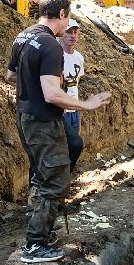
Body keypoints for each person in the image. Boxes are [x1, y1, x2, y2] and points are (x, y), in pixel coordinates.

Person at [6, 0, 111, 262]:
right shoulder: (50, 45)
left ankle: (40, 218)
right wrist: (86, 104)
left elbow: (10, 75)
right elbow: (52, 94)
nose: (69, 28)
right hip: (42, 120)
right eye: (68, 19)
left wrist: (38, 78)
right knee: (53, 180)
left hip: (27, 115)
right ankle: (35, 244)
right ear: (61, 14)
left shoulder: (23, 36)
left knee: (73, 144)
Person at [60, 19, 85, 171]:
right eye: (69, 32)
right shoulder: (55, 55)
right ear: (62, 33)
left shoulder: (79, 58)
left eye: (75, 32)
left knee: (73, 144)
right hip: (61, 109)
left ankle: (67, 177)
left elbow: (77, 81)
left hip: (74, 108)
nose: (72, 35)